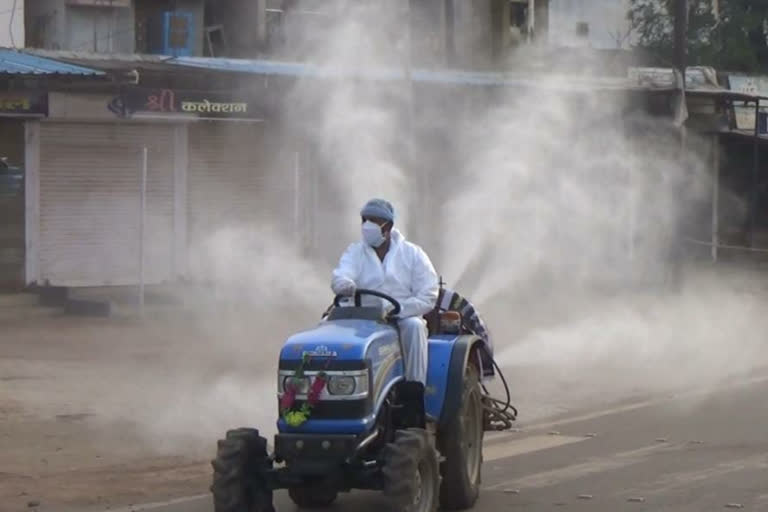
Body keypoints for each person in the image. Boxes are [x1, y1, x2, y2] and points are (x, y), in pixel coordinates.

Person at [331, 198, 439, 387]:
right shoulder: (355, 252)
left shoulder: (413, 254)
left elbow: (428, 295)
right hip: (361, 317)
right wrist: (344, 284)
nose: (366, 226)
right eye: (364, 220)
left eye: (372, 221)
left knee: (414, 328)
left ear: (387, 226)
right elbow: (340, 276)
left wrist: (398, 309)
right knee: (327, 330)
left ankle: (413, 391)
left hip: (401, 317)